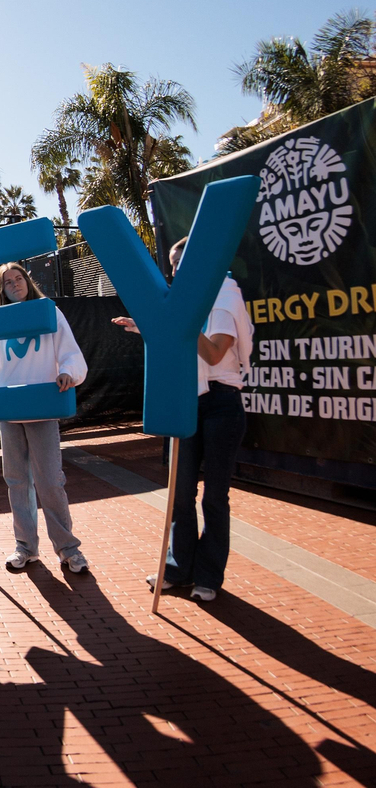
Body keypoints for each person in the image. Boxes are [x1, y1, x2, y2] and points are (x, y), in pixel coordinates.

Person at [120, 236, 252, 603]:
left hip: (222, 404)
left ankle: (208, 576)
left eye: (183, 263)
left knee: (214, 498)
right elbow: (177, 343)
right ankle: (178, 570)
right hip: (185, 402)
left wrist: (177, 320)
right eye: (174, 266)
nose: (177, 271)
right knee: (180, 495)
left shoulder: (225, 293)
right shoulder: (182, 303)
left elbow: (212, 354)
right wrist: (149, 326)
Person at [0, 263, 89, 574]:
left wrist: (67, 372)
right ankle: (26, 547)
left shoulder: (49, 312)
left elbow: (70, 353)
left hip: (42, 409)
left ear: (27, 282)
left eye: (19, 278)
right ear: (1, 289)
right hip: (9, 410)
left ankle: (68, 549)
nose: (15, 284)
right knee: (17, 481)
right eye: (8, 281)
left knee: (49, 481)